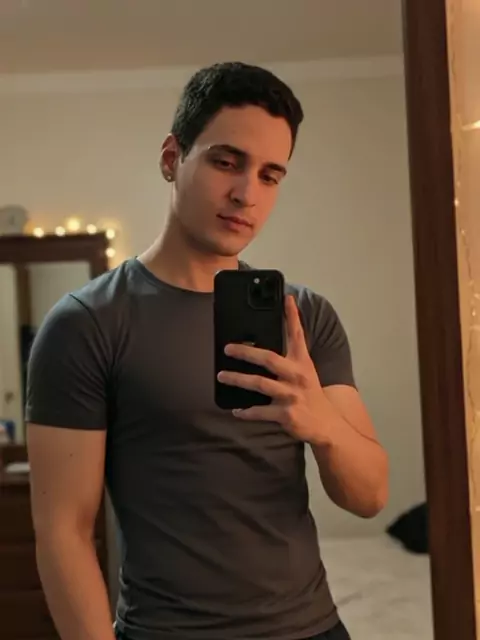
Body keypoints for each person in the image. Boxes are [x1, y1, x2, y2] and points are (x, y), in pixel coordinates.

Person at [26, 61, 389, 640]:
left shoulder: (303, 318)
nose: (247, 194)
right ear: (172, 158)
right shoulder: (86, 324)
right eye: (226, 162)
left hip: (313, 629)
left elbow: (369, 497)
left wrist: (322, 425)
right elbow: (63, 531)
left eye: (270, 175)